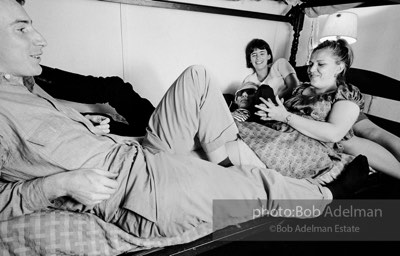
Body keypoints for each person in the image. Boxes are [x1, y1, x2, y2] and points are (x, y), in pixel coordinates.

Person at [1, 0, 374, 241]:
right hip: (138, 187)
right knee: (254, 185)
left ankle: (218, 158)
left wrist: (85, 123)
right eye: (21, 28)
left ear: (341, 68)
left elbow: (347, 131)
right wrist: (61, 184)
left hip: (138, 153)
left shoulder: (21, 86)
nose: (40, 38)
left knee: (197, 75)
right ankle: (326, 195)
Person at [235, 39, 365, 181]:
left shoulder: (345, 93)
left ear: (339, 68)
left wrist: (285, 116)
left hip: (300, 146)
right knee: (226, 132)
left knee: (229, 148)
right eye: (311, 64)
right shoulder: (301, 89)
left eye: (320, 64)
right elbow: (283, 114)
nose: (311, 69)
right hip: (278, 131)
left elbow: (333, 134)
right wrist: (271, 114)